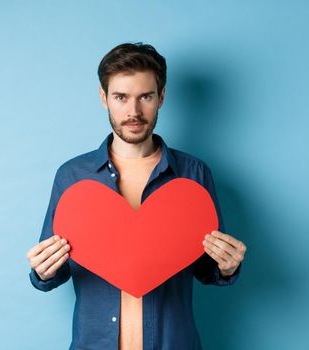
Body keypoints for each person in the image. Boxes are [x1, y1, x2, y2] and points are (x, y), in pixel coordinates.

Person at [26, 42, 247, 350]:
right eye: (121, 97)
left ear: (162, 97)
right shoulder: (72, 177)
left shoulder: (193, 175)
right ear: (104, 98)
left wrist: (227, 266)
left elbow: (206, 268)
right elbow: (54, 268)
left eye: (145, 96)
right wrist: (42, 270)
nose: (133, 111)